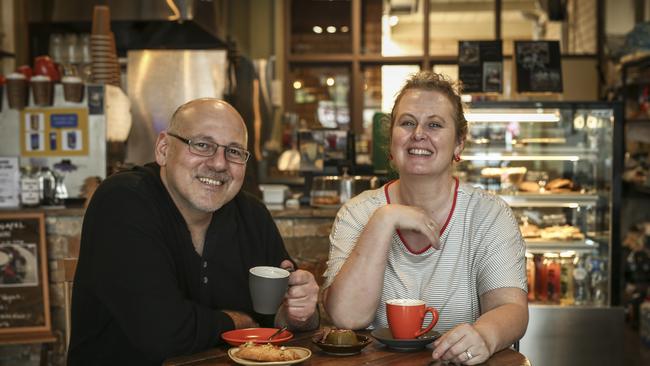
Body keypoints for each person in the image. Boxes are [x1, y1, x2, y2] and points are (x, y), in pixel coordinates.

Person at [68, 98, 319, 365]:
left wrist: (299, 314)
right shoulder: (122, 201)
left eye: (234, 151)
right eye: (202, 145)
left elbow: (277, 321)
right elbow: (162, 335)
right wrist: (239, 322)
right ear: (163, 149)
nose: (219, 164)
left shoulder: (252, 215)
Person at [322, 71, 528, 365]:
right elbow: (347, 317)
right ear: (391, 141)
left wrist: (484, 335)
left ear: (459, 143)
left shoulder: (488, 214)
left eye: (434, 124)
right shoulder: (358, 213)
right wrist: (384, 220)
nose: (418, 133)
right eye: (407, 123)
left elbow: (511, 308)